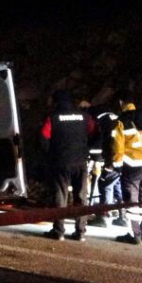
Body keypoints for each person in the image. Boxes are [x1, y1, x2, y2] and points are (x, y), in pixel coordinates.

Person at [40, 90, 97, 241]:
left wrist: (50, 154)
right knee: (81, 196)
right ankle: (80, 232)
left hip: (60, 161)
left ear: (57, 102)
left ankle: (59, 231)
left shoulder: (53, 117)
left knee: (60, 195)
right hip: (80, 161)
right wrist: (86, 149)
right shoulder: (84, 116)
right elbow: (96, 133)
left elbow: (43, 137)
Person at [113, 91, 142, 245]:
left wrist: (116, 165)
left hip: (132, 164)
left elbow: (118, 147)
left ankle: (135, 235)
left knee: (131, 200)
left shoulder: (122, 121)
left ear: (120, 103)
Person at [87, 102, 123, 227]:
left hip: (107, 158)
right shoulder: (116, 118)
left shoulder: (97, 119)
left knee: (105, 184)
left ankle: (103, 216)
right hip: (121, 159)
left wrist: (95, 156)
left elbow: (101, 140)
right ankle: (122, 216)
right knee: (117, 185)